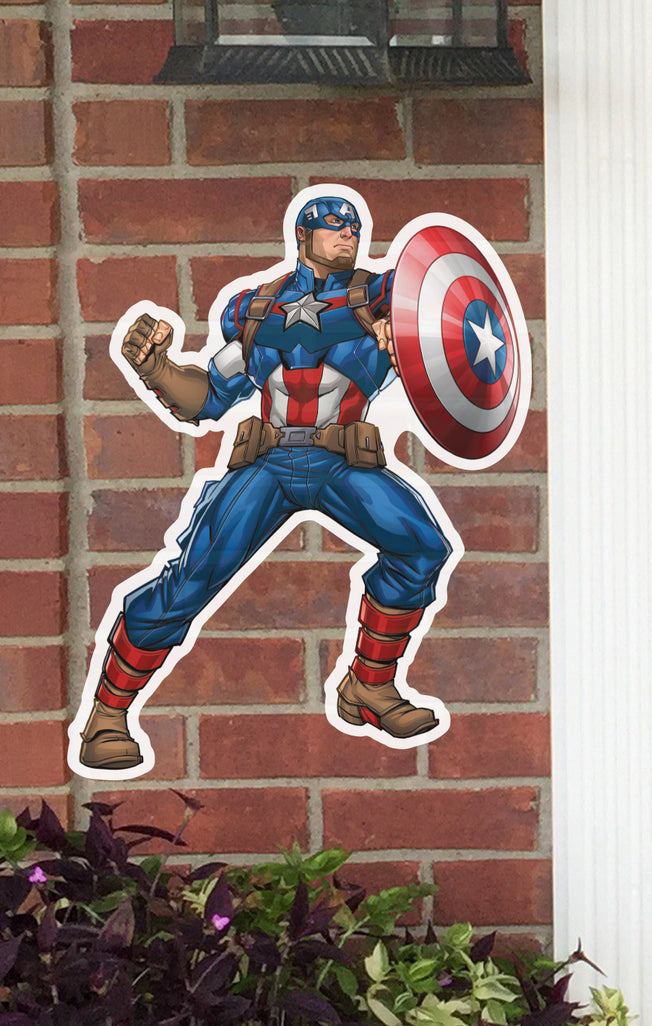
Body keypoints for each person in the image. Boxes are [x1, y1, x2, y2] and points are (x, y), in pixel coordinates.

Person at [77, 196, 450, 771]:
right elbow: (206, 397)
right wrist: (156, 368)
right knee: (188, 580)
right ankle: (107, 716)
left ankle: (369, 686)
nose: (348, 234)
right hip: (269, 463)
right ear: (303, 234)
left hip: (341, 463)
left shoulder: (384, 298)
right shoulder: (256, 310)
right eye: (334, 226)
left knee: (422, 547)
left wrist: (408, 341)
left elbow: (441, 325)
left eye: (353, 226)